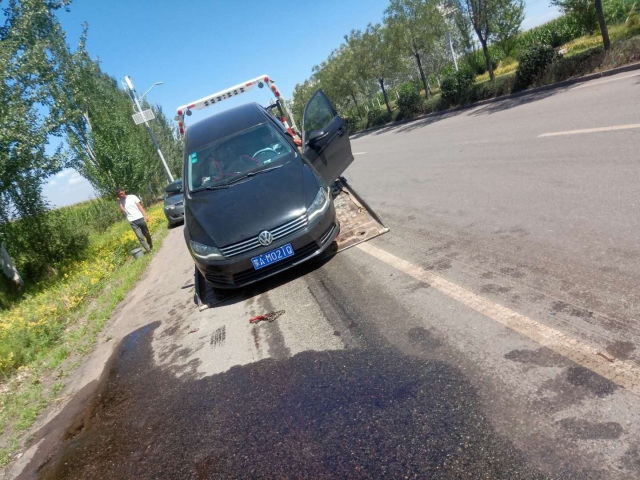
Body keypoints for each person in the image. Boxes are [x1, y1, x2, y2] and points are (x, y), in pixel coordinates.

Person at [117, 187, 153, 253]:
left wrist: (145, 215)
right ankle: (148, 250)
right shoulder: (121, 202)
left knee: (146, 234)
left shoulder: (133, 197)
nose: (121, 195)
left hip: (140, 218)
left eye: (121, 193)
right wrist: (119, 202)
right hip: (132, 221)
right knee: (140, 237)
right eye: (119, 195)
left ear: (124, 191)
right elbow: (122, 211)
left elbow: (140, 206)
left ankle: (150, 244)